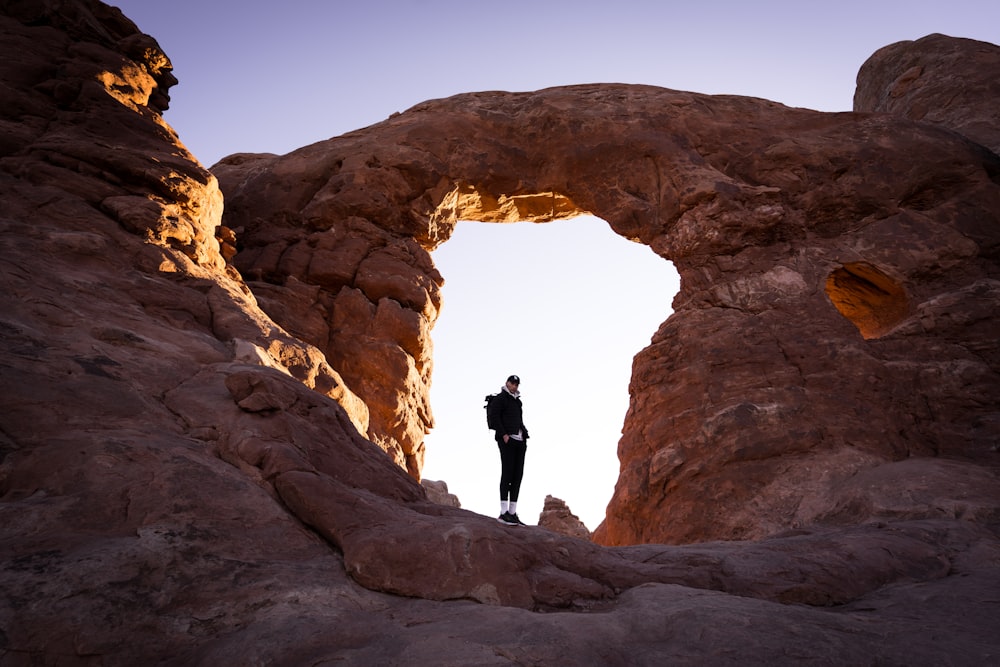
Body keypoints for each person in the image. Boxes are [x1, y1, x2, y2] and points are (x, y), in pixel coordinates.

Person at [488, 374, 529, 525]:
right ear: (507, 383)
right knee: (507, 473)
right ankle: (503, 512)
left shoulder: (518, 402)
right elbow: (494, 417)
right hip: (507, 440)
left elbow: (519, 419)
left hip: (520, 440)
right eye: (512, 383)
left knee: (518, 475)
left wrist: (524, 435)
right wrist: (504, 434)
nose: (514, 386)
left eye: (516, 384)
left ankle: (512, 512)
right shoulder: (500, 398)